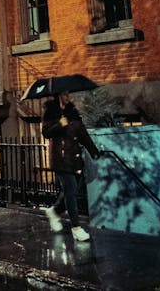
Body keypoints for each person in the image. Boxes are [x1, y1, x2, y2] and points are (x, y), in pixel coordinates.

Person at [41, 91, 101, 242]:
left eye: (69, 94)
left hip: (73, 159)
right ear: (59, 95)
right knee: (71, 192)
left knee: (72, 190)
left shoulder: (72, 113)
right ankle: (76, 228)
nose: (68, 97)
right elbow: (46, 133)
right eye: (65, 95)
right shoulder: (51, 112)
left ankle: (54, 211)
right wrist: (59, 125)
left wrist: (94, 152)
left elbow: (83, 134)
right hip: (60, 159)